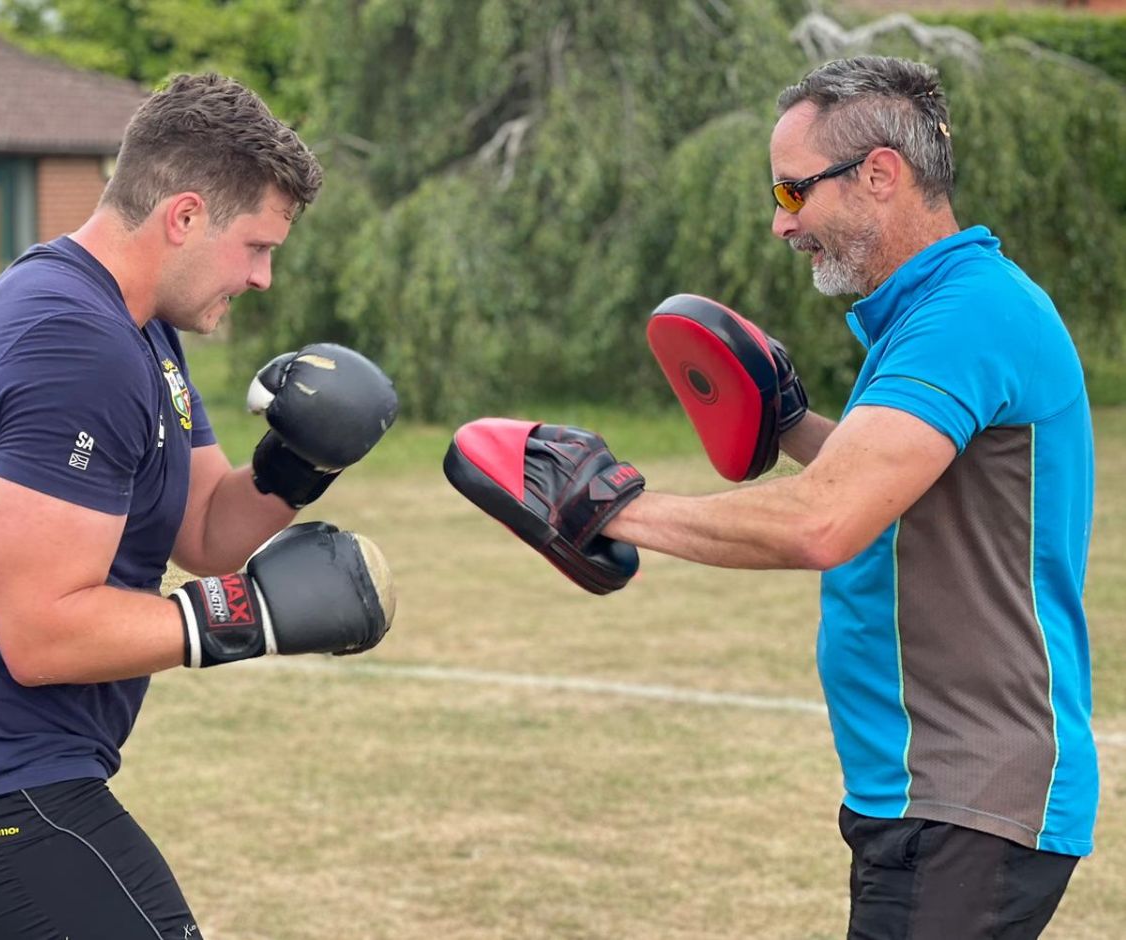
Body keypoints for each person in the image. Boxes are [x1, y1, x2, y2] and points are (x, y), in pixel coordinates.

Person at [449, 56, 1096, 938]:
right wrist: (792, 424)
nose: (779, 225)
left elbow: (824, 521)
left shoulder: (966, 317)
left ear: (879, 175)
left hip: (967, 795)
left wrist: (609, 505)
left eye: (794, 194)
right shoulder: (939, 312)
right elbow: (897, 492)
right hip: (926, 789)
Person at [0, 73, 400, 939]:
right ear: (183, 216)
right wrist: (239, 619)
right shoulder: (80, 346)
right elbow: (40, 631)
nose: (263, 278)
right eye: (256, 247)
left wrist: (298, 466)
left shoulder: (134, 327)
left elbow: (207, 529)